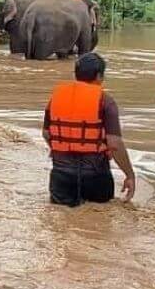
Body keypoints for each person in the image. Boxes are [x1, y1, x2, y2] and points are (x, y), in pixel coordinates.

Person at [43, 53, 136, 206]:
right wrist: (129, 175)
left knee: (60, 224)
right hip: (95, 177)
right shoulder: (106, 101)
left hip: (61, 176)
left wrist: (61, 148)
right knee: (100, 224)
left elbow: (46, 133)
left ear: (76, 74)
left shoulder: (56, 98)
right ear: (99, 75)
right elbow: (115, 144)